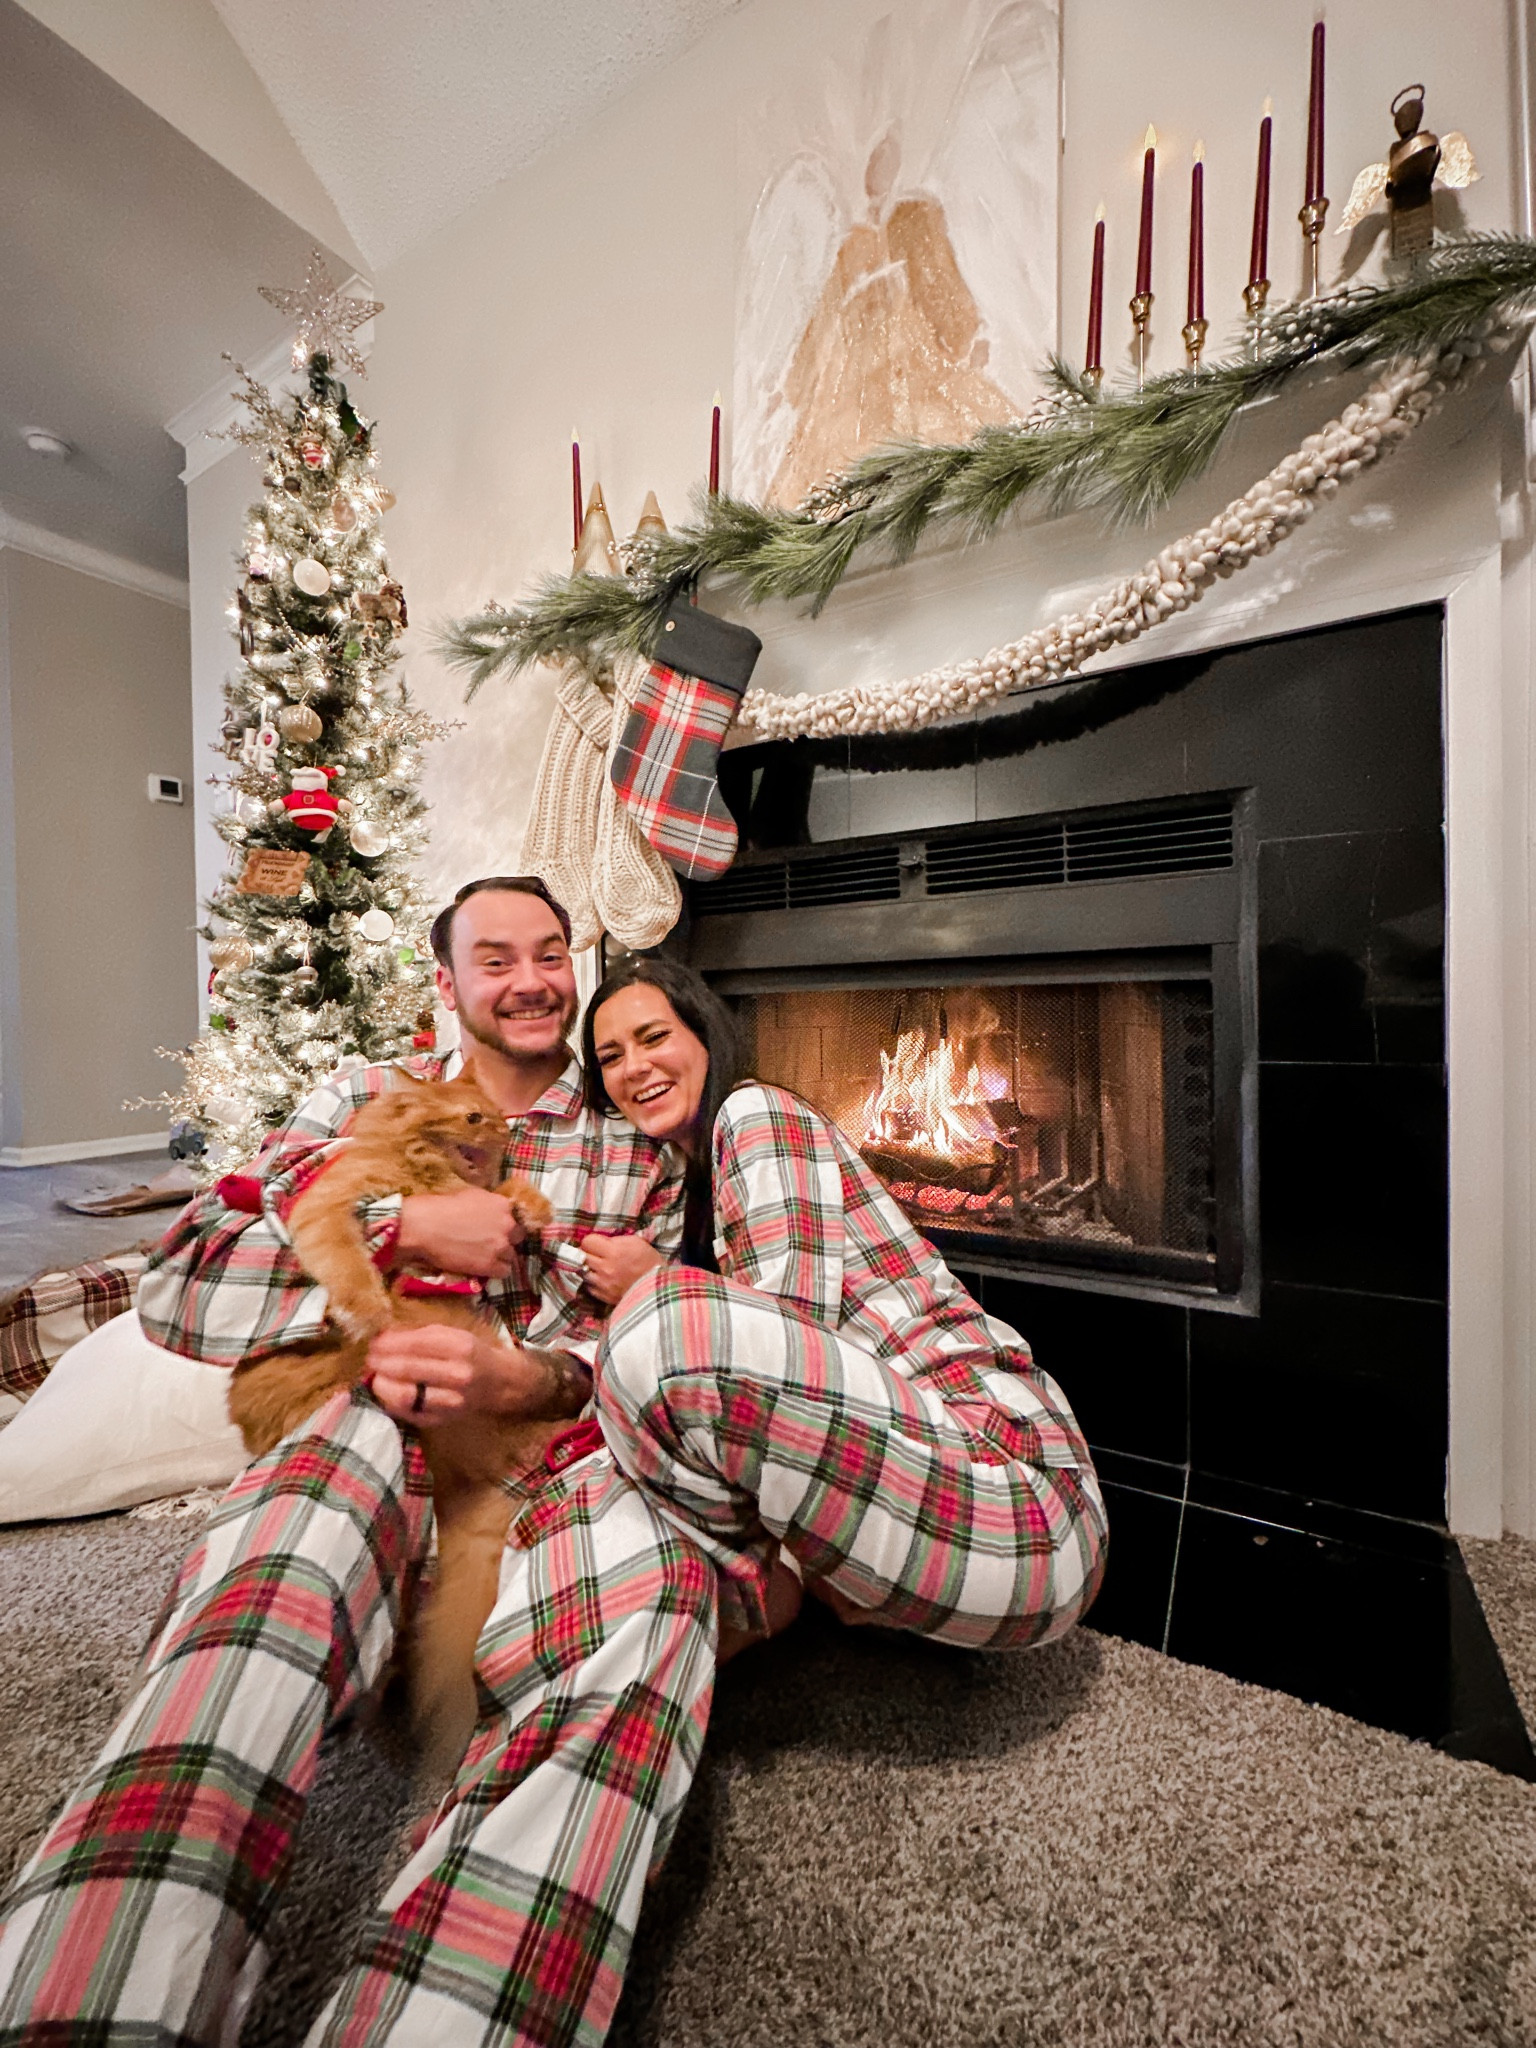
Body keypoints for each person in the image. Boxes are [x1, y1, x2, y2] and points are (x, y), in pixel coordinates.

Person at [0, 878, 708, 2048]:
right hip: (369, 1419)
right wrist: (400, 1229)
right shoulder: (366, 1093)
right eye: (496, 958)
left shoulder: (633, 1132)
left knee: (656, 1599)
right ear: (447, 982)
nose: (532, 980)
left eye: (550, 952)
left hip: (535, 1470)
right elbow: (186, 1281)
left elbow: (646, 1351)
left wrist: (531, 1376)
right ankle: (94, 1996)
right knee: (297, 1534)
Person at [574, 954, 1108, 1658]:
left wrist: (654, 1283)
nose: (634, 1067)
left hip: (1022, 1501)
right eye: (610, 1057)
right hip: (939, 1511)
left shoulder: (755, 1111)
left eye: (653, 1037)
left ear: (704, 1034)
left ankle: (756, 1592)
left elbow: (780, 1336)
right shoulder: (691, 1185)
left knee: (656, 1329)